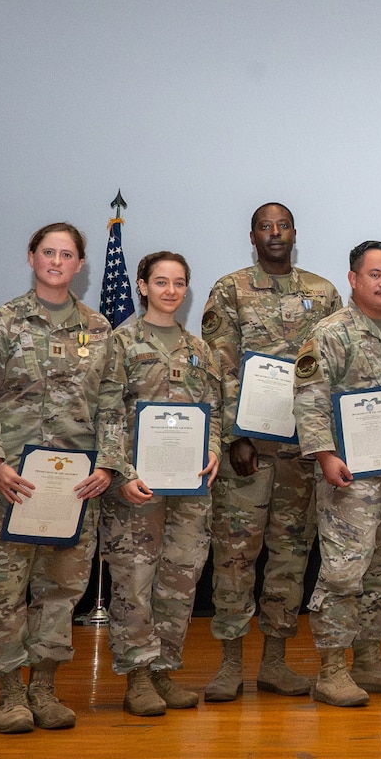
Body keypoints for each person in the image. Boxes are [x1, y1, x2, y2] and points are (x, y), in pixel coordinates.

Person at [0, 222, 114, 734]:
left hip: (73, 488)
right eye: (47, 252)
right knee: (4, 594)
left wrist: (109, 464)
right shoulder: (2, 324)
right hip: (7, 485)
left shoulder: (100, 328)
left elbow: (113, 403)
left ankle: (44, 687)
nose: (56, 261)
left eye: (66, 254)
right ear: (31, 257)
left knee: (59, 592)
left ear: (80, 265)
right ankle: (9, 694)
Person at [201, 203, 343, 701]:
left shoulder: (323, 292)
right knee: (236, 555)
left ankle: (275, 663)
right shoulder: (230, 289)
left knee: (291, 554)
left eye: (283, 226)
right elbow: (218, 364)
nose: (275, 233)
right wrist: (234, 436)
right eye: (266, 226)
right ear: (253, 235)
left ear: (294, 233)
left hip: (302, 450)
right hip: (248, 450)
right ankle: (229, 665)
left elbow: (331, 366)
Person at [292, 240, 381, 707]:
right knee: (344, 570)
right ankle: (331, 669)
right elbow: (309, 397)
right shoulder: (330, 332)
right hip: (348, 476)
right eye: (374, 275)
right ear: (353, 279)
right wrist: (325, 456)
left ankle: (368, 659)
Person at [95, 252, 223, 716]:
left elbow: (214, 411)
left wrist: (213, 449)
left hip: (189, 490)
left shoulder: (200, 348)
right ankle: (138, 677)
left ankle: (166, 668)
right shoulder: (120, 342)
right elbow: (106, 413)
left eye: (179, 283)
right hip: (137, 487)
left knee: (180, 579)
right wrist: (121, 474)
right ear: (143, 286)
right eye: (161, 282)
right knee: (134, 580)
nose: (171, 290)